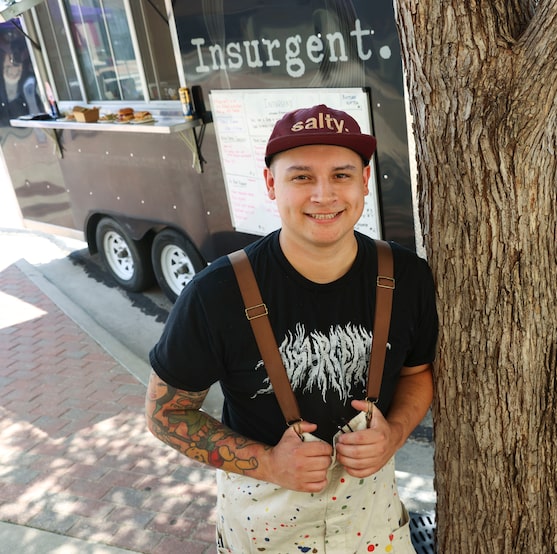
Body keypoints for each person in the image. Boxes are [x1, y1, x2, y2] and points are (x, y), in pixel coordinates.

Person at [146, 104, 438, 553]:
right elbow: (165, 414)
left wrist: (393, 434)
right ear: (271, 184)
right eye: (302, 177)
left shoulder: (408, 277)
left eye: (341, 175)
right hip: (262, 521)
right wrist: (269, 463)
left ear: (363, 181)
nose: (324, 195)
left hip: (371, 518)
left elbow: (417, 375)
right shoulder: (215, 294)